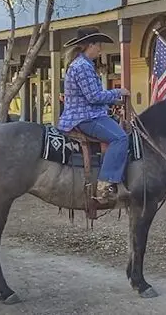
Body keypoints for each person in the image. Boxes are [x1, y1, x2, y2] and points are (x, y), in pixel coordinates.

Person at [58, 27, 131, 203]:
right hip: (85, 117)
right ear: (90, 45)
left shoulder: (81, 64)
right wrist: (117, 92)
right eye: (98, 45)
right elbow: (93, 97)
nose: (100, 49)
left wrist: (113, 102)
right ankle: (104, 185)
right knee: (120, 138)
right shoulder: (83, 67)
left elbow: (91, 96)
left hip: (88, 113)